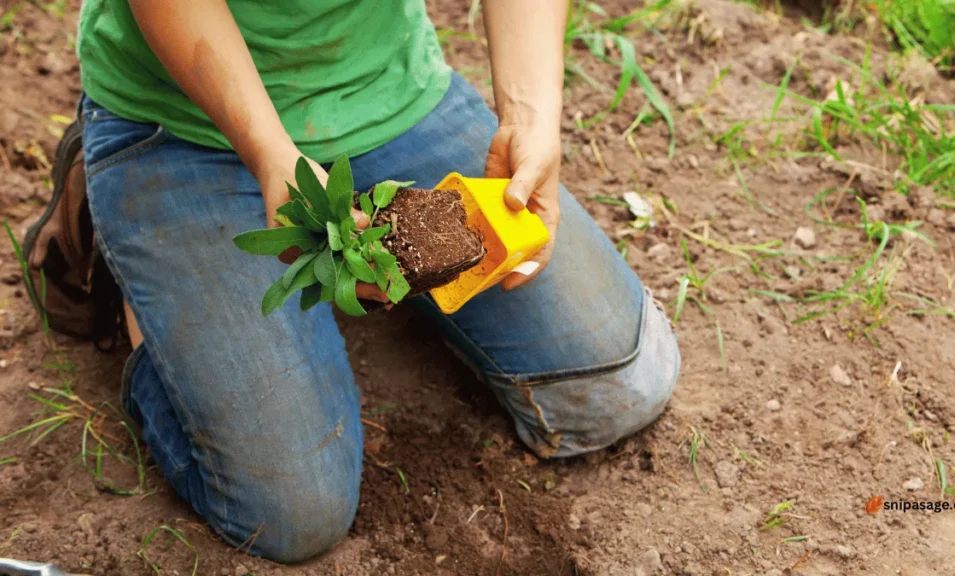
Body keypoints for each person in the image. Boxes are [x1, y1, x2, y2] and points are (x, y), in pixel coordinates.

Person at [24, 0, 681, 563]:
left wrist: (531, 116)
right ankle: (125, 258)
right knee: (290, 511)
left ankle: (361, 257)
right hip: (184, 116)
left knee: (621, 385)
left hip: (386, 92)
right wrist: (268, 152)